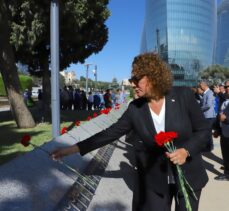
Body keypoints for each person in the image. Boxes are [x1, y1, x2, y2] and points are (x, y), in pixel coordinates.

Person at [51, 53, 209, 211]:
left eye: (136, 79)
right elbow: (109, 133)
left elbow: (203, 130)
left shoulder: (183, 95)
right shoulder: (135, 108)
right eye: (131, 80)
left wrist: (186, 151)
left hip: (189, 174)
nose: (132, 84)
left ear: (153, 77)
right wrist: (68, 150)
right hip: (155, 181)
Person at [213, 80, 229, 181]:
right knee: (226, 154)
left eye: (228, 86)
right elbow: (220, 115)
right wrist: (217, 130)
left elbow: (224, 117)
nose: (227, 88)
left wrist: (226, 119)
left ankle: (227, 174)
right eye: (226, 86)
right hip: (224, 132)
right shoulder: (226, 101)